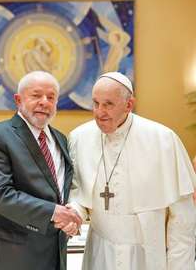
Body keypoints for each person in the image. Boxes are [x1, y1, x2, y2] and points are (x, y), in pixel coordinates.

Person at [68, 71, 196, 270]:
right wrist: (74, 212)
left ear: (129, 105)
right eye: (95, 103)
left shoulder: (163, 140)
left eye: (108, 104)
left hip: (148, 255)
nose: (99, 112)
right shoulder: (79, 138)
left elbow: (183, 220)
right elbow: (79, 194)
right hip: (99, 253)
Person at [0, 70, 81, 270]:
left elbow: (61, 190)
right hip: (12, 255)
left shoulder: (61, 139)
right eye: (36, 95)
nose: (44, 102)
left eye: (51, 97)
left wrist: (70, 215)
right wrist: (53, 212)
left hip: (54, 253)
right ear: (18, 99)